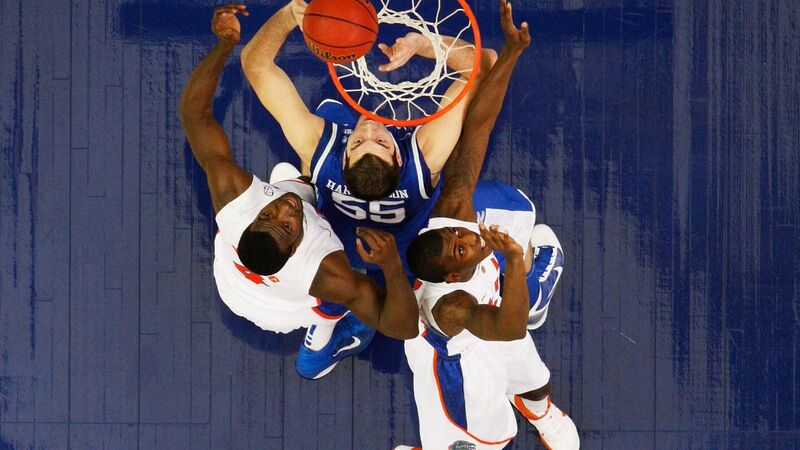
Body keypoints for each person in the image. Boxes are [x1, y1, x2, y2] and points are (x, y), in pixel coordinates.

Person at [179, 3, 419, 381]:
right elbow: (402, 327)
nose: (287, 209)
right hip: (284, 312)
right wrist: (389, 265)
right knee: (343, 298)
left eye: (269, 214)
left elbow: (195, 114)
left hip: (232, 285)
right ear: (295, 248)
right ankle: (318, 347)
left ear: (251, 220)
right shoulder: (325, 270)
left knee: (292, 180)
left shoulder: (233, 199)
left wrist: (223, 46)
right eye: (289, 226)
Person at [398, 1, 580, 448]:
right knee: (490, 439)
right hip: (462, 378)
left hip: (495, 313)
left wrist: (511, 53)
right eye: (461, 246)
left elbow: (477, 129)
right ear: (453, 275)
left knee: (533, 377)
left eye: (456, 232)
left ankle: (541, 411)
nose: (467, 234)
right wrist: (514, 259)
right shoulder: (450, 307)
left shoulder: (453, 221)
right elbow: (508, 329)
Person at [240, 0, 497, 278]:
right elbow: (486, 65)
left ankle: (309, 183)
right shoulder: (425, 157)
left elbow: (256, 65)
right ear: (399, 156)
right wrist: (423, 45)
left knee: (324, 124)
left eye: (358, 142)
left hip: (340, 246)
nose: (370, 129)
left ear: (344, 159)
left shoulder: (318, 149)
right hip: (405, 250)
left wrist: (289, 14)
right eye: (381, 142)